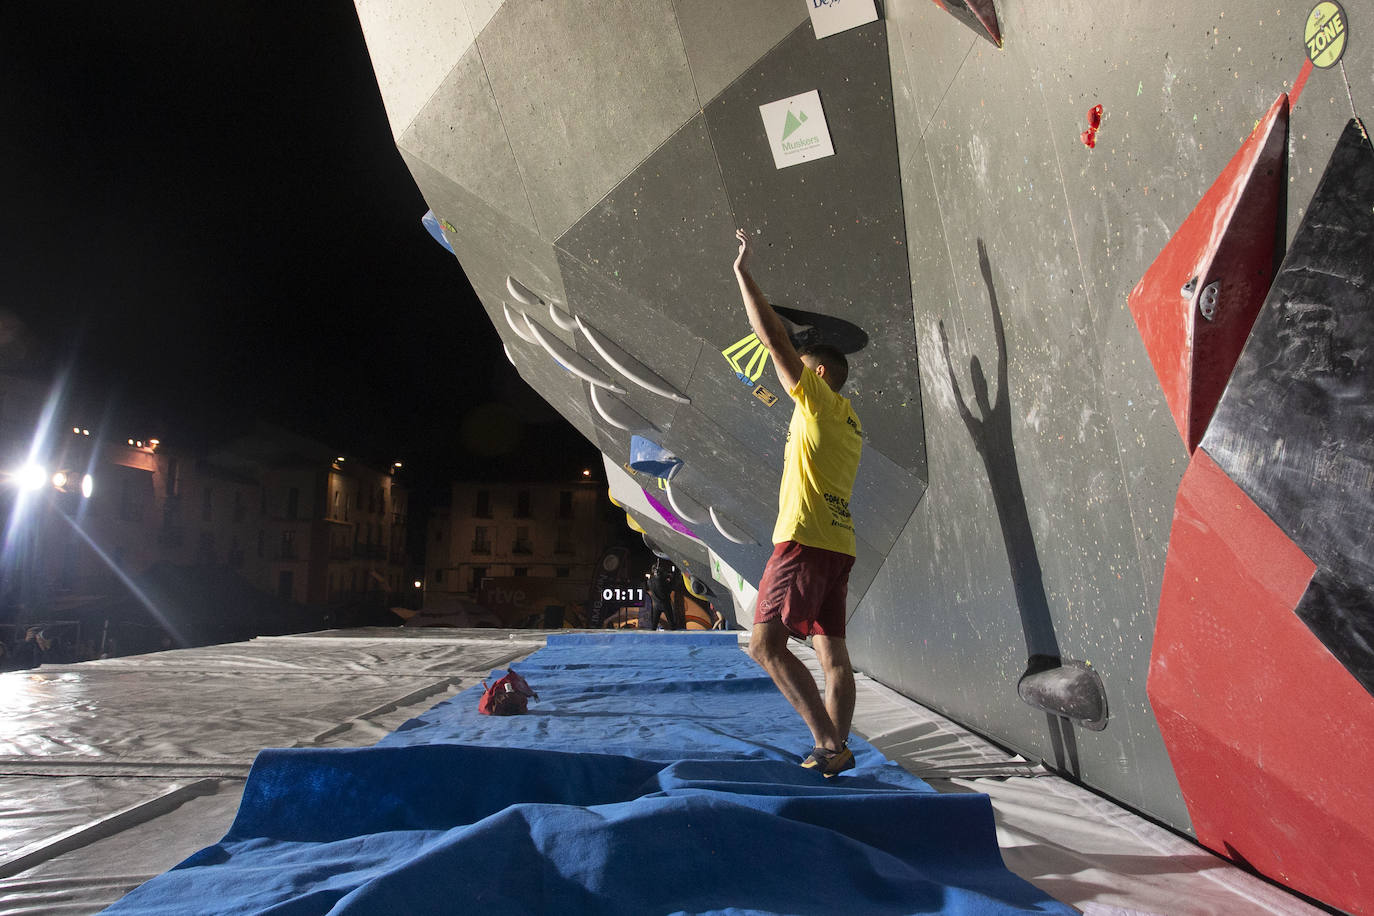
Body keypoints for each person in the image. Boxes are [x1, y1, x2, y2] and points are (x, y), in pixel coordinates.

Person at [733, 228, 864, 777]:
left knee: (765, 645)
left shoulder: (815, 400)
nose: (785, 373)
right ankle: (832, 754)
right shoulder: (849, 419)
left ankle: (830, 745)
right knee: (832, 657)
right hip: (838, 543)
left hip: (804, 539)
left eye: (798, 366)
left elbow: (772, 341)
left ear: (817, 373)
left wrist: (743, 274)